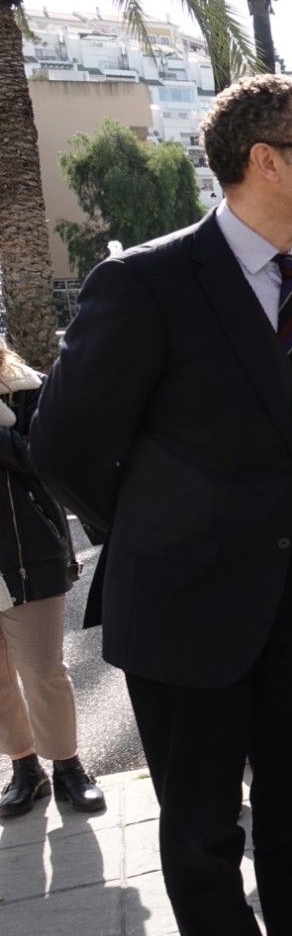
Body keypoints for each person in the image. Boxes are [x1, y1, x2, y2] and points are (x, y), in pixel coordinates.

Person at [31, 75, 292, 936]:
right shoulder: (144, 282)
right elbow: (62, 441)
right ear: (266, 159)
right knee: (202, 830)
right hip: (180, 609)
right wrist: (152, 528)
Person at [0, 345, 102, 819]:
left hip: (27, 555)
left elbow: (43, 460)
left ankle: (67, 766)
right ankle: (24, 769)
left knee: (42, 669)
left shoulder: (29, 389)